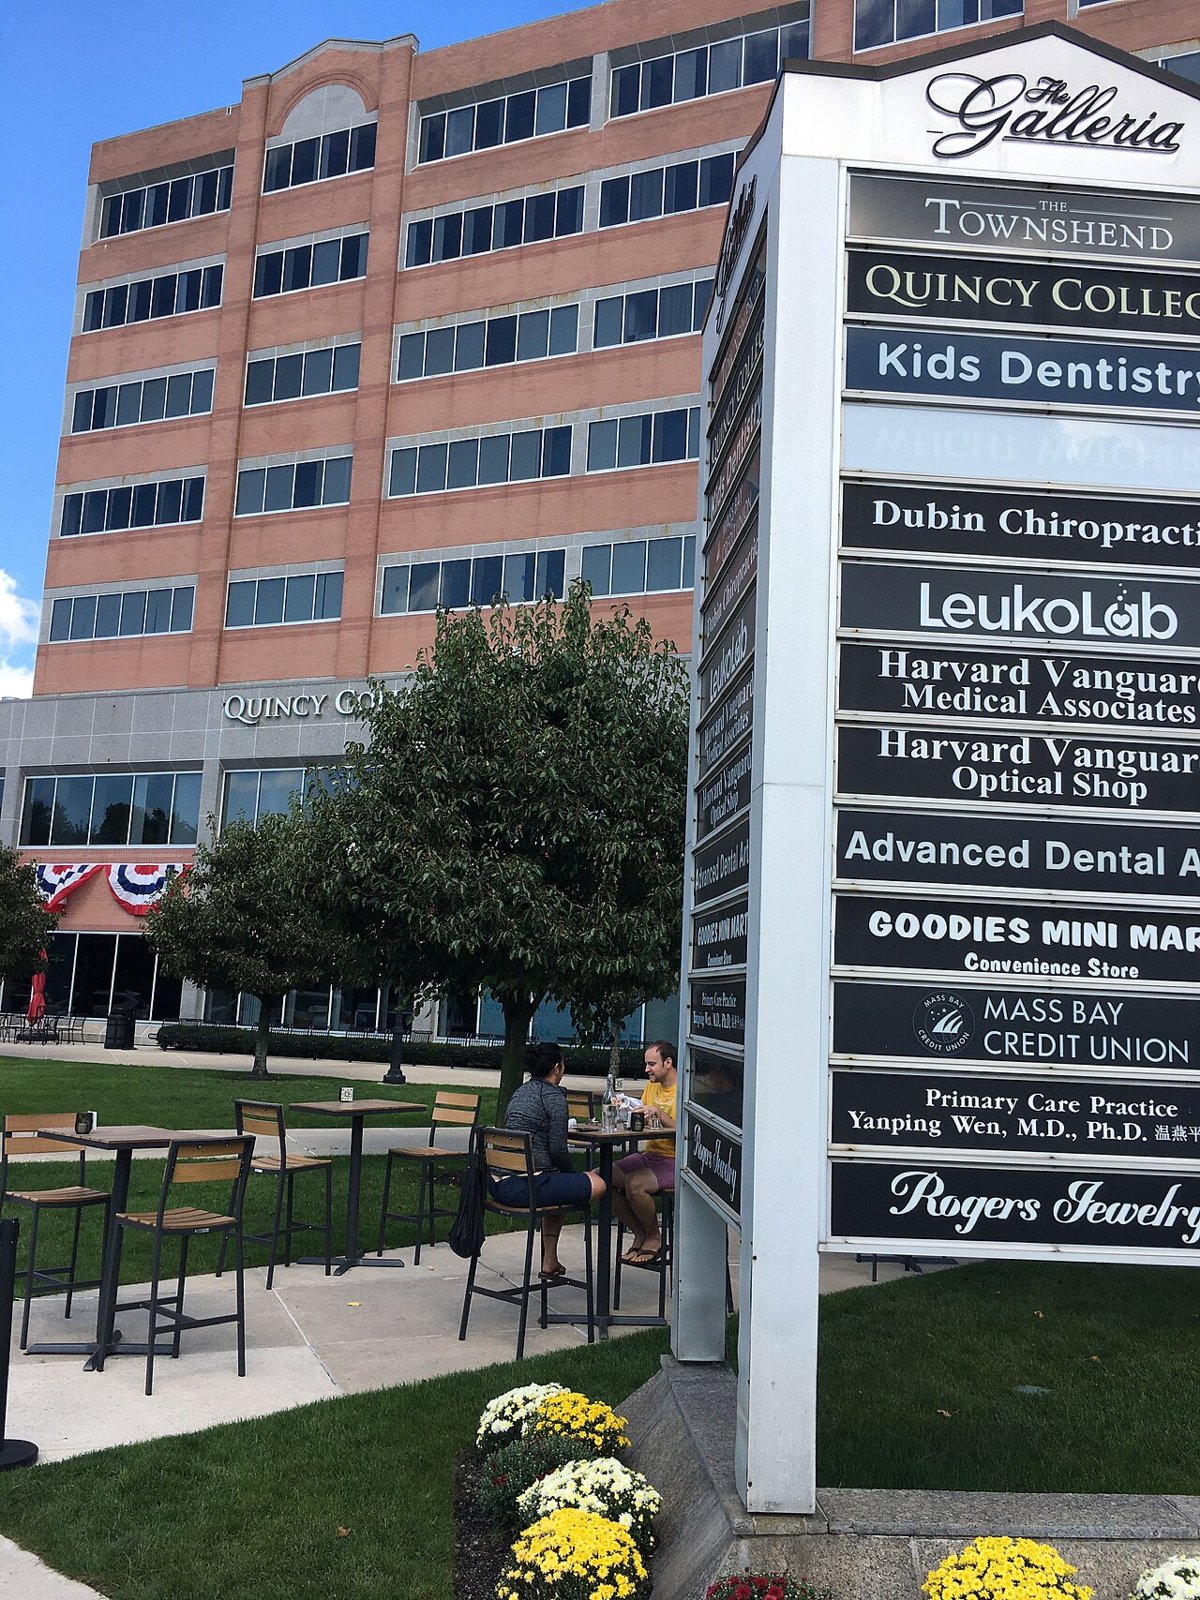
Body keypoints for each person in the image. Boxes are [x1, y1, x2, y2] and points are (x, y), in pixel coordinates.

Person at [495, 1041, 605, 1278]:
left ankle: (550, 1260)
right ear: (557, 1068)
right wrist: (575, 1175)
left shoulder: (520, 1091)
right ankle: (550, 1259)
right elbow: (557, 1149)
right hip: (526, 1186)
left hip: (498, 1184)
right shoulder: (553, 1096)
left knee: (559, 1185)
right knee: (598, 1183)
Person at [612, 1040, 677, 1267]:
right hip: (651, 1154)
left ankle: (654, 1238)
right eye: (646, 1064)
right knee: (599, 1179)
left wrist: (658, 1113)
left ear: (668, 1063)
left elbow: (684, 1133)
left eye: (652, 1064)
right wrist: (626, 1108)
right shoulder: (652, 1085)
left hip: (675, 1159)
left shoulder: (685, 1089)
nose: (646, 1069)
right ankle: (640, 1231)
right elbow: (643, 1117)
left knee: (635, 1183)